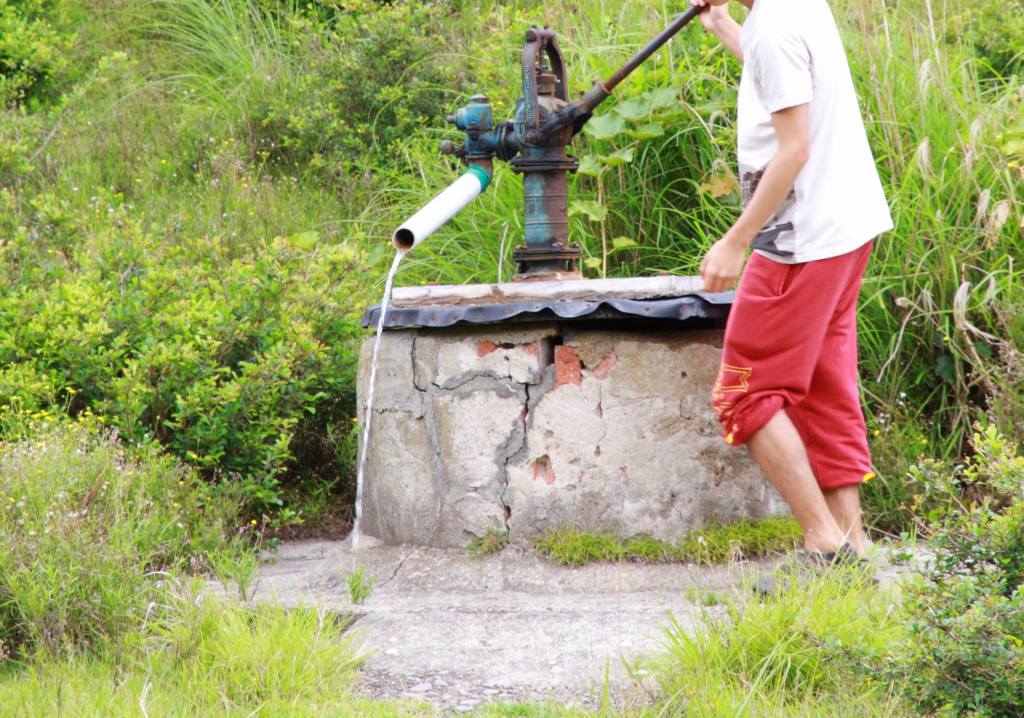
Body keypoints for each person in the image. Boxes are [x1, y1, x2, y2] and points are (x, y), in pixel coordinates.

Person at [690, 0, 893, 560]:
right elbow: (782, 80)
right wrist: (726, 27)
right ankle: (851, 543)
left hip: (800, 241)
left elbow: (795, 149)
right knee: (826, 389)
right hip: (846, 229)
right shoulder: (792, 9)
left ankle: (822, 544)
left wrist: (735, 240)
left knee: (745, 394)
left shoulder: (776, 25)